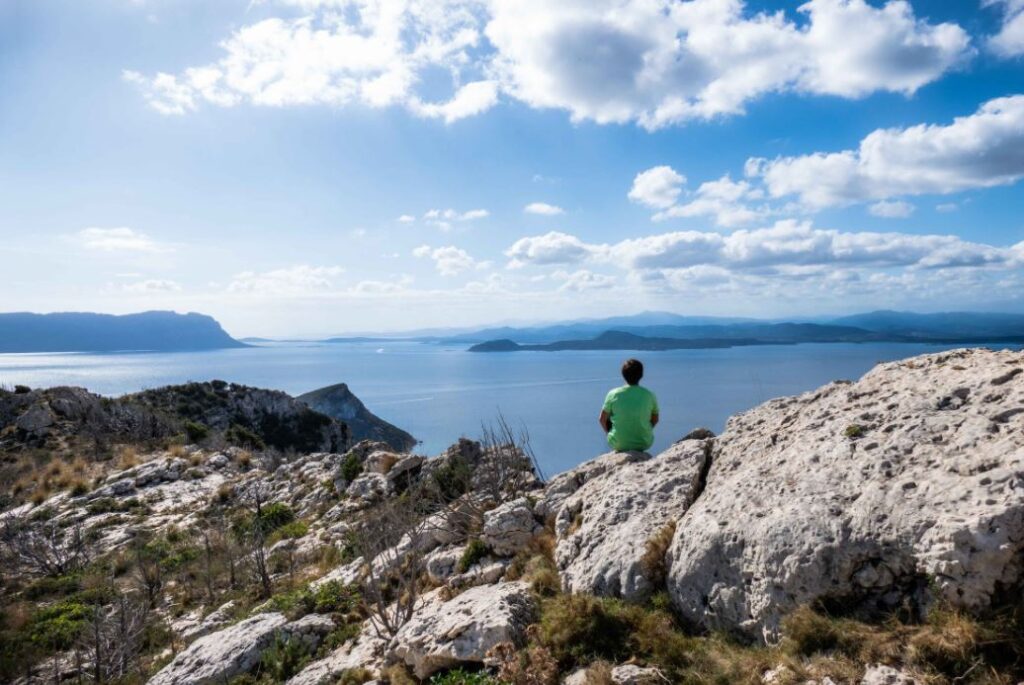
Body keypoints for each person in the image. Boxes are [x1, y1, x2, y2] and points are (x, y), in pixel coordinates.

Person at [599, 358, 659, 452]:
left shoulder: (613, 394)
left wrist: (608, 433)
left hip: (618, 443)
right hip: (644, 442)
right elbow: (655, 419)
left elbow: (602, 419)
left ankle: (618, 437)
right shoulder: (649, 395)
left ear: (623, 375)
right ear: (641, 375)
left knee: (609, 415)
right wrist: (645, 428)